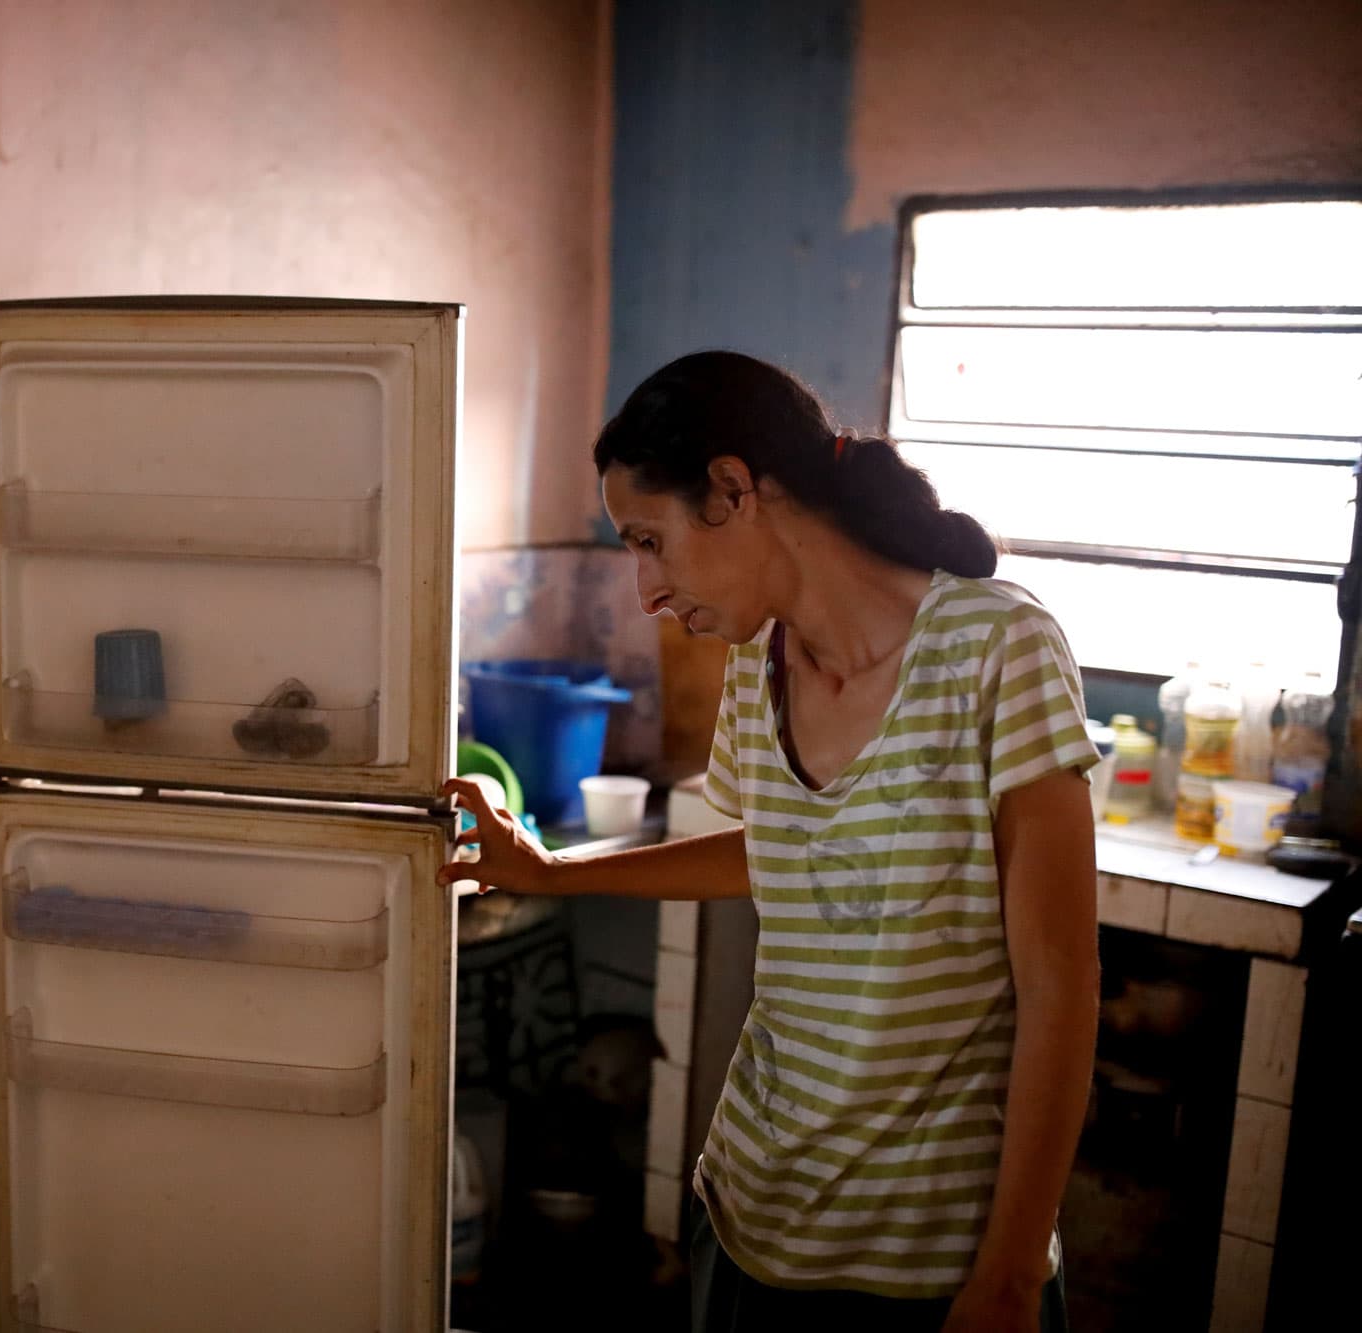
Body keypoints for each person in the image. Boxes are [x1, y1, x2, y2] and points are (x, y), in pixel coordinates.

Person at [438, 351, 1098, 1333]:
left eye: (649, 540)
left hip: (932, 1252)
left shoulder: (996, 650)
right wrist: (551, 872)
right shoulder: (759, 662)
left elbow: (1060, 980)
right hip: (750, 1211)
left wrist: (1004, 1273)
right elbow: (776, 849)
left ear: (733, 489)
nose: (645, 590)